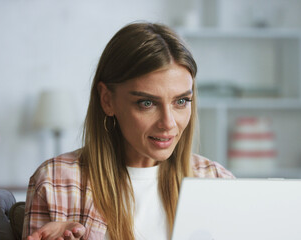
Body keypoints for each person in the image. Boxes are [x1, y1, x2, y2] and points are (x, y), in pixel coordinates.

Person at [22, 21, 234, 240]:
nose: (168, 123)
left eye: (181, 101)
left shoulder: (218, 181)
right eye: (147, 103)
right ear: (107, 100)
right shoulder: (54, 182)